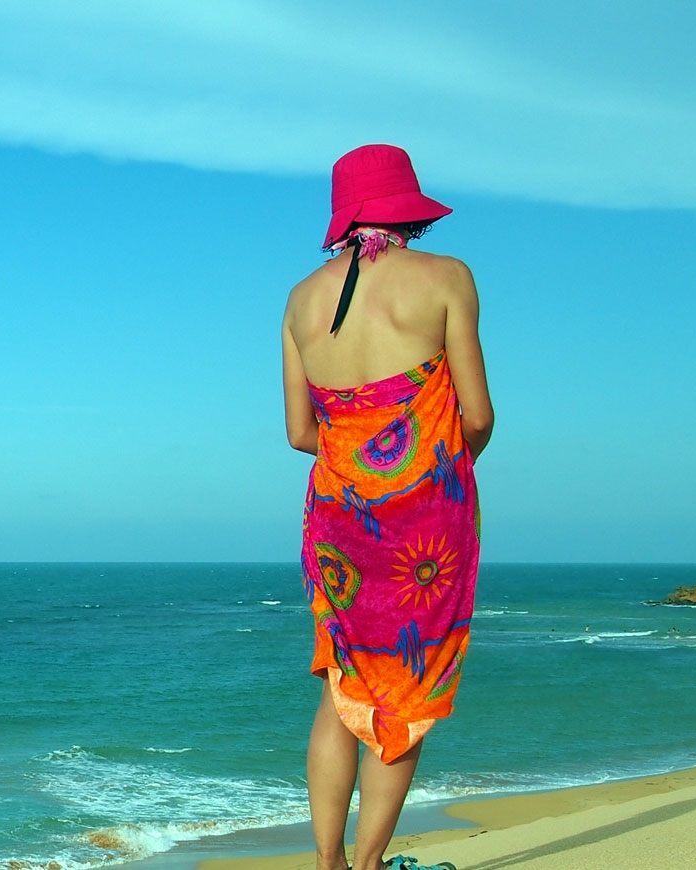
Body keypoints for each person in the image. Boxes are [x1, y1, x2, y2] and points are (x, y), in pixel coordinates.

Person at [280, 144, 493, 870]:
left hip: (337, 519)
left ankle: (328, 863)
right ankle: (368, 867)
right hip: (424, 524)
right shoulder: (445, 278)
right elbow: (478, 417)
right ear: (407, 208)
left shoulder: (302, 299)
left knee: (344, 684)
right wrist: (425, 478)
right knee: (401, 694)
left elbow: (301, 433)